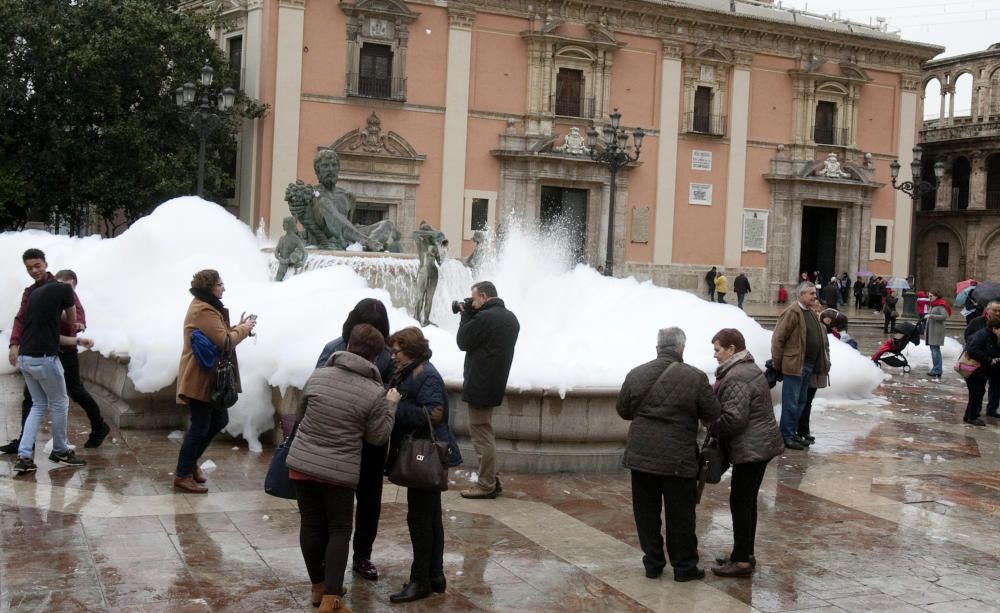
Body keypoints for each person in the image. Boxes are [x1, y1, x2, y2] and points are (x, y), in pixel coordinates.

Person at [287, 324, 397, 613]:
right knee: (339, 529)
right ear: (375, 357)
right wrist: (391, 406)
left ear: (348, 346)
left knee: (310, 524)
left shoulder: (318, 375)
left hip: (302, 463)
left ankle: (318, 587)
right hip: (339, 470)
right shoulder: (374, 392)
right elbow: (377, 436)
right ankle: (332, 599)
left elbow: (299, 414)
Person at [616, 327, 721, 583]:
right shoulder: (695, 377)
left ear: (657, 347)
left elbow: (624, 410)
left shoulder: (636, 373)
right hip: (678, 458)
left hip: (641, 456)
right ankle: (684, 567)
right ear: (680, 348)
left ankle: (652, 563)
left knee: (646, 512)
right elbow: (712, 413)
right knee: (680, 514)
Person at [314, 298, 394, 582]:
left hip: (370, 440)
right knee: (334, 506)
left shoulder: (386, 354)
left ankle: (362, 555)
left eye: (376, 327)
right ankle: (331, 559)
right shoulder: (335, 347)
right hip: (342, 436)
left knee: (369, 501)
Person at [384, 327, 462, 603]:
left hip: (424, 455)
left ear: (411, 351)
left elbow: (435, 413)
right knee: (429, 517)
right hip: (424, 454)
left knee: (420, 519)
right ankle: (434, 576)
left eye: (397, 351)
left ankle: (420, 581)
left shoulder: (425, 374)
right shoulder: (413, 370)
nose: (393, 356)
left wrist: (393, 406)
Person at [1, 269, 110, 456]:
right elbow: (21, 319)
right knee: (33, 399)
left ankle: (98, 426)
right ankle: (27, 443)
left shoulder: (68, 297)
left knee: (74, 392)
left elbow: (77, 319)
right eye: (29, 267)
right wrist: (14, 343)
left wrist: (77, 326)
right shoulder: (35, 293)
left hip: (63, 352)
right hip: (43, 352)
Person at [9, 249, 94, 474]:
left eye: (37, 266)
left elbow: (24, 321)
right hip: (45, 357)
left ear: (46, 264)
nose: (34, 271)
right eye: (29, 268)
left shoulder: (35, 294)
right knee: (59, 402)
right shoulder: (62, 289)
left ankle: (25, 456)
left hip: (26, 357)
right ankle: (60, 450)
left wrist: (15, 345)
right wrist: (77, 329)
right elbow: (74, 318)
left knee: (38, 404)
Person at [709, 328, 784, 577]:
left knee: (740, 502)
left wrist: (710, 423)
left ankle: (741, 560)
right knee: (746, 501)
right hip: (759, 445)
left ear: (732, 349)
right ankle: (744, 553)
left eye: (718, 349)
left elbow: (734, 418)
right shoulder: (747, 368)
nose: (715, 355)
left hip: (751, 447)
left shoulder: (736, 376)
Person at [173, 269, 256, 493]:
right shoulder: (203, 309)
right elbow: (225, 342)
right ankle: (182, 473)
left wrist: (235, 327)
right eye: (220, 284)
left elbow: (218, 334)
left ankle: (189, 465)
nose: (223, 287)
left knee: (218, 419)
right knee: (199, 426)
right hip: (199, 379)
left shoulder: (207, 306)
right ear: (209, 287)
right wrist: (243, 330)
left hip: (207, 378)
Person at [456, 281, 520, 499]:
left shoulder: (484, 318)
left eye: (474, 298)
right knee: (485, 431)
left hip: (480, 384)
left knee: (481, 434)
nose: (472, 302)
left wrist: (465, 315)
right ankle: (491, 478)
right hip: (494, 382)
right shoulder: (510, 318)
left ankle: (486, 484)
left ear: (483, 296)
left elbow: (463, 341)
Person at [771, 282, 829, 450]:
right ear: (801, 295)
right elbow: (778, 339)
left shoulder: (810, 312)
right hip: (795, 364)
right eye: (811, 293)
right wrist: (778, 363)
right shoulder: (792, 312)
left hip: (808, 365)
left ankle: (794, 433)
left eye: (814, 293)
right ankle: (786, 436)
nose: (814, 296)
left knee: (801, 401)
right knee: (791, 401)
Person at [964, 300, 1000, 416]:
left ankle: (992, 409)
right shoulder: (977, 322)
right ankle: (974, 413)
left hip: (996, 361)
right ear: (987, 310)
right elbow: (969, 338)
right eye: (995, 310)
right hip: (980, 362)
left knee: (996, 386)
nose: (998, 313)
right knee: (978, 390)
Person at [925, 289, 951, 380]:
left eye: (931, 296)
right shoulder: (933, 305)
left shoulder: (940, 304)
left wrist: (931, 316)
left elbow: (944, 316)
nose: (929, 298)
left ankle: (937, 370)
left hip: (937, 331)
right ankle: (935, 369)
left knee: (936, 350)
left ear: (936, 296)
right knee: (933, 350)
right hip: (932, 330)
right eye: (929, 296)